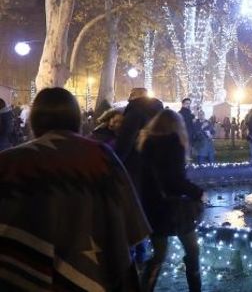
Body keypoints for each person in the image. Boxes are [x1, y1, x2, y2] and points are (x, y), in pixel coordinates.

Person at [0, 88, 150, 290]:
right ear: (75, 118)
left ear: (34, 120)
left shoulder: (9, 163)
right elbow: (129, 221)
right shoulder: (100, 157)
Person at [138, 109, 205, 292]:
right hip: (174, 211)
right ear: (177, 126)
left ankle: (145, 287)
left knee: (158, 254)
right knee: (192, 250)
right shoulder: (173, 144)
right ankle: (195, 288)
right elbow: (175, 181)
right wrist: (198, 192)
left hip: (152, 209)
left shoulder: (145, 144)